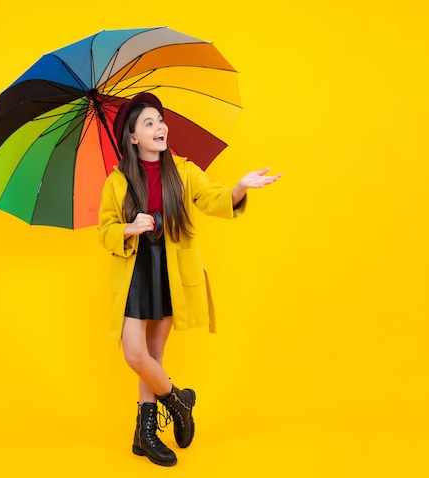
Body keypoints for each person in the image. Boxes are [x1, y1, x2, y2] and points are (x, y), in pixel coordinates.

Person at [98, 92, 282, 467]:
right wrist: (129, 228)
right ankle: (178, 402)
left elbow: (214, 198)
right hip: (135, 270)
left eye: (160, 121)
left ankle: (144, 434)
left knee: (154, 354)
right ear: (132, 137)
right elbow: (104, 232)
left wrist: (240, 187)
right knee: (135, 353)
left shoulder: (183, 171)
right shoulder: (116, 183)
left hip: (171, 271)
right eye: (148, 123)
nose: (160, 127)